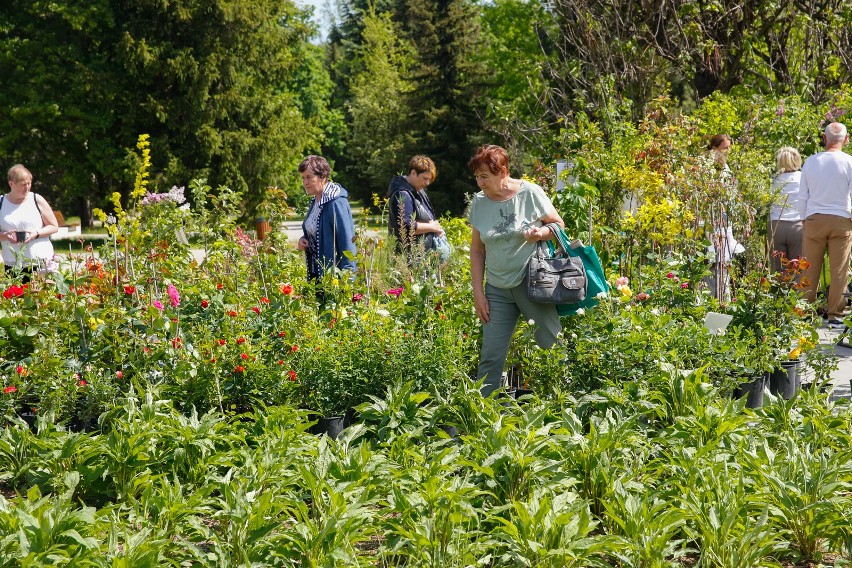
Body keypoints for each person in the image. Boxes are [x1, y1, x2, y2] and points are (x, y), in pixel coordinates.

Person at [467, 144, 566, 396]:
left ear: (502, 171)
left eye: (485, 176)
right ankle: (482, 414)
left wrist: (540, 233)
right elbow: (477, 251)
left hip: (533, 282)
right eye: (477, 177)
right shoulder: (479, 202)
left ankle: (561, 403)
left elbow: (558, 225)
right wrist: (478, 293)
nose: (480, 183)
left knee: (551, 345)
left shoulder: (530, 193)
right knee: (491, 355)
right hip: (497, 289)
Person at [798, 122, 852, 327]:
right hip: (841, 219)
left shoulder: (811, 161)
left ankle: (804, 313)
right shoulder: (849, 162)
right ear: (845, 139)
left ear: (824, 138)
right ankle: (835, 315)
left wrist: (804, 218)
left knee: (809, 268)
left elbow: (803, 195)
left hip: (814, 218)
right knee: (839, 270)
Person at [296, 156, 356, 284]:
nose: (305, 182)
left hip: (334, 278)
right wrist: (303, 240)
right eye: (303, 178)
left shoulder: (335, 203)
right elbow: (318, 231)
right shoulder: (316, 201)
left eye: (309, 177)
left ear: (323, 177)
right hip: (317, 272)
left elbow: (347, 243)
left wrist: (348, 280)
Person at [704, 134, 744, 300]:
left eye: (729, 148)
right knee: (712, 264)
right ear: (714, 149)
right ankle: (714, 303)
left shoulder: (727, 169)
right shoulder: (707, 170)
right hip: (711, 223)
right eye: (724, 148)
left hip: (725, 223)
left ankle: (724, 303)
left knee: (723, 264)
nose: (727, 151)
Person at [0, 164, 59, 277]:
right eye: (23, 184)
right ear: (11, 183)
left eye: (29, 183)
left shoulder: (37, 199)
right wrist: (5, 235)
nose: (27, 187)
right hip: (13, 265)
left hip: (41, 262)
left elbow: (54, 226)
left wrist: (36, 234)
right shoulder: (1, 203)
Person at [387, 155, 444, 262]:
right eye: (425, 178)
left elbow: (429, 217)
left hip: (422, 257)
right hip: (407, 259)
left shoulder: (419, 192)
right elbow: (406, 227)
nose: (427, 183)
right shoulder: (402, 194)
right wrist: (432, 227)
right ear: (413, 173)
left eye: (429, 180)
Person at [768, 147, 804, 272]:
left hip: (776, 225)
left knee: (778, 269)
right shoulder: (803, 177)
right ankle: (797, 291)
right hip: (798, 225)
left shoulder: (773, 180)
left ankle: (778, 291)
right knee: (798, 268)